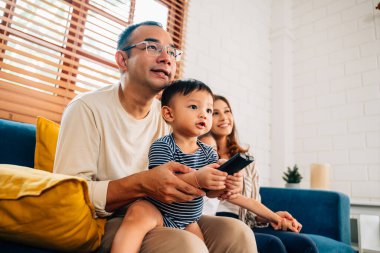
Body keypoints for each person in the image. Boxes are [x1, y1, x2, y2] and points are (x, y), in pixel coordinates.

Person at [53, 21, 256, 253]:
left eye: (171, 51)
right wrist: (142, 184)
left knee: (238, 233)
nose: (167, 58)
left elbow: (189, 176)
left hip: (169, 213)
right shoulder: (86, 108)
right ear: (122, 60)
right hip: (110, 220)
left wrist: (221, 181)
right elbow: (68, 193)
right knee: (186, 246)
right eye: (152, 47)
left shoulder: (170, 118)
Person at [111, 79, 248, 253]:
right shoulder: (163, 145)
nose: (203, 114)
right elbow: (161, 182)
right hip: (157, 209)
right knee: (137, 215)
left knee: (199, 247)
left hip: (188, 219)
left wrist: (224, 183)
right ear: (169, 114)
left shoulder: (209, 153)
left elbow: (210, 193)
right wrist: (198, 178)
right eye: (193, 107)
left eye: (208, 110)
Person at [203, 94, 318, 253]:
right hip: (223, 222)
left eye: (227, 111)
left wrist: (274, 217)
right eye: (215, 113)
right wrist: (274, 217)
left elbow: (252, 207)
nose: (224, 117)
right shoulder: (204, 157)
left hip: (248, 222)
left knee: (304, 244)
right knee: (273, 244)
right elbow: (231, 197)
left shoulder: (246, 160)